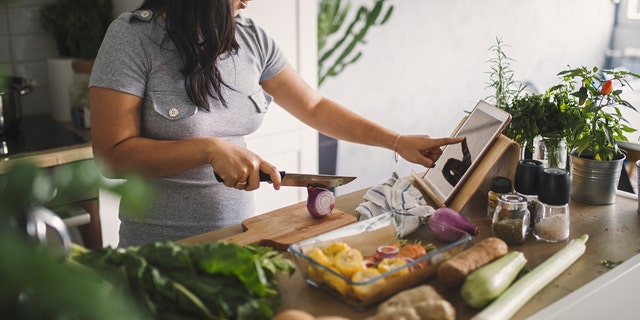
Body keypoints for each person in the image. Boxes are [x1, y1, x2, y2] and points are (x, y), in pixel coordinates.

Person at [89, 0, 464, 247]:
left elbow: (314, 106)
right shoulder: (131, 38)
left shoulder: (251, 38)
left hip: (240, 238)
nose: (246, 1)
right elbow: (112, 157)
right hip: (158, 249)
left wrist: (397, 141)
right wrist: (208, 149)